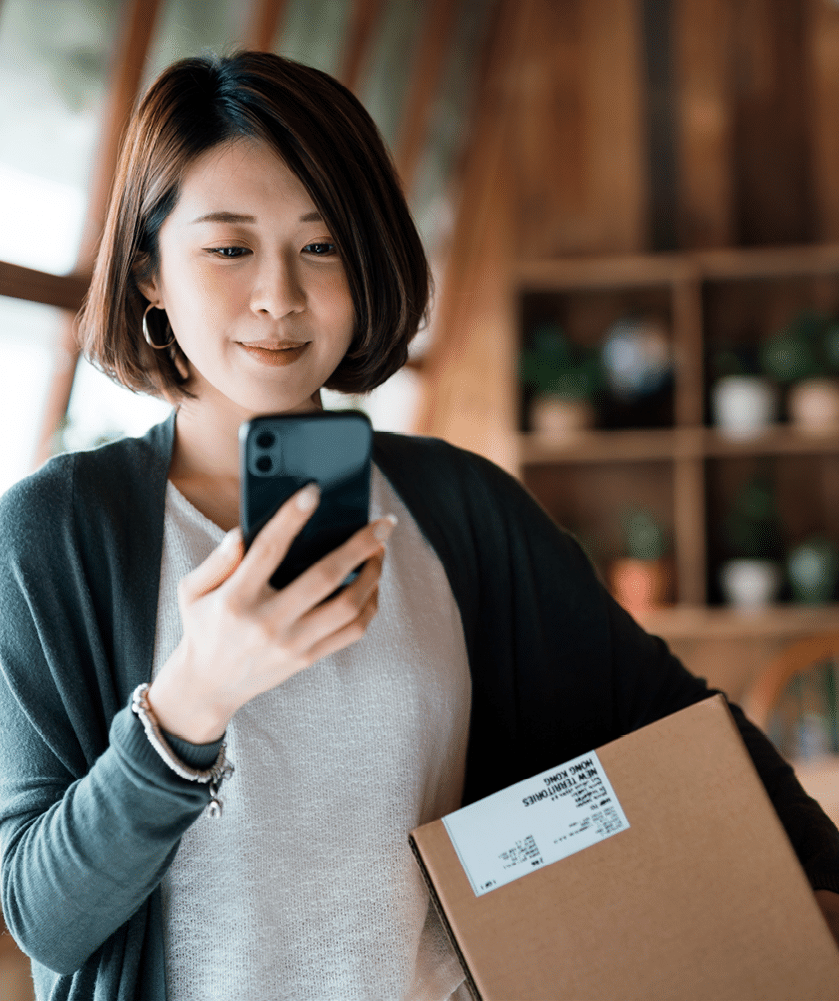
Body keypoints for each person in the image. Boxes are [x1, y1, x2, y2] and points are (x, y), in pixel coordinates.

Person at [0, 50, 837, 1001]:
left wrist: (822, 884)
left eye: (320, 245)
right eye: (229, 248)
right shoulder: (60, 531)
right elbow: (44, 917)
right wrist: (191, 703)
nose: (279, 294)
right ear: (150, 273)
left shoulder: (459, 508)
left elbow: (677, 724)